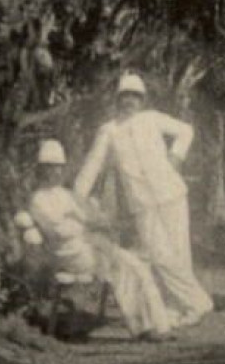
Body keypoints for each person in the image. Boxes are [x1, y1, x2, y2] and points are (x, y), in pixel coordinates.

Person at [75, 73, 214, 327]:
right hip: (141, 203)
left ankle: (180, 308)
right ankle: (198, 302)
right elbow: (91, 168)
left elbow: (186, 131)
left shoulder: (152, 119)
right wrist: (75, 199)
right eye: (125, 96)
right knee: (160, 256)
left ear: (142, 99)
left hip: (172, 193)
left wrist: (175, 159)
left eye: (135, 96)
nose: (130, 101)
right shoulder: (108, 131)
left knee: (180, 254)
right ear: (118, 99)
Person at [13, 139, 175, 341]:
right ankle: (144, 328)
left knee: (137, 266)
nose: (56, 172)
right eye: (50, 168)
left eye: (58, 168)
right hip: (69, 254)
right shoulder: (38, 199)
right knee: (126, 269)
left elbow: (86, 218)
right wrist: (78, 220)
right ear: (42, 170)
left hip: (88, 246)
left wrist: (81, 219)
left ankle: (159, 327)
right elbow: (59, 231)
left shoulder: (65, 194)